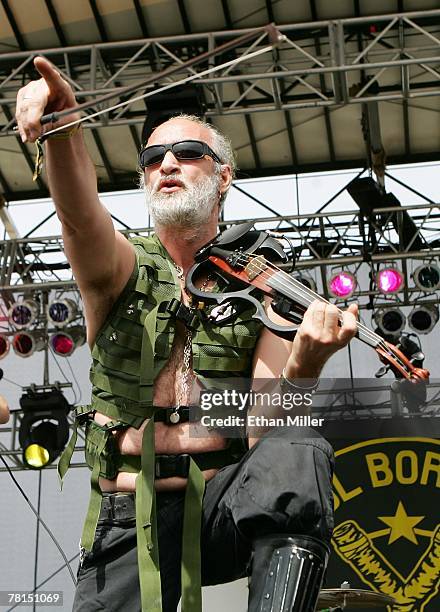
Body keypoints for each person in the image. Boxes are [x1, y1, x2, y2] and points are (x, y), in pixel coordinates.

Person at [16, 56, 358, 612]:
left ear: (224, 175)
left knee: (299, 447)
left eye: (189, 154)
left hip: (223, 507)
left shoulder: (264, 279)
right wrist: (64, 128)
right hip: (129, 516)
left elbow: (262, 433)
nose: (168, 164)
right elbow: (79, 216)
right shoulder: (118, 269)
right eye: (153, 159)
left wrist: (305, 368)